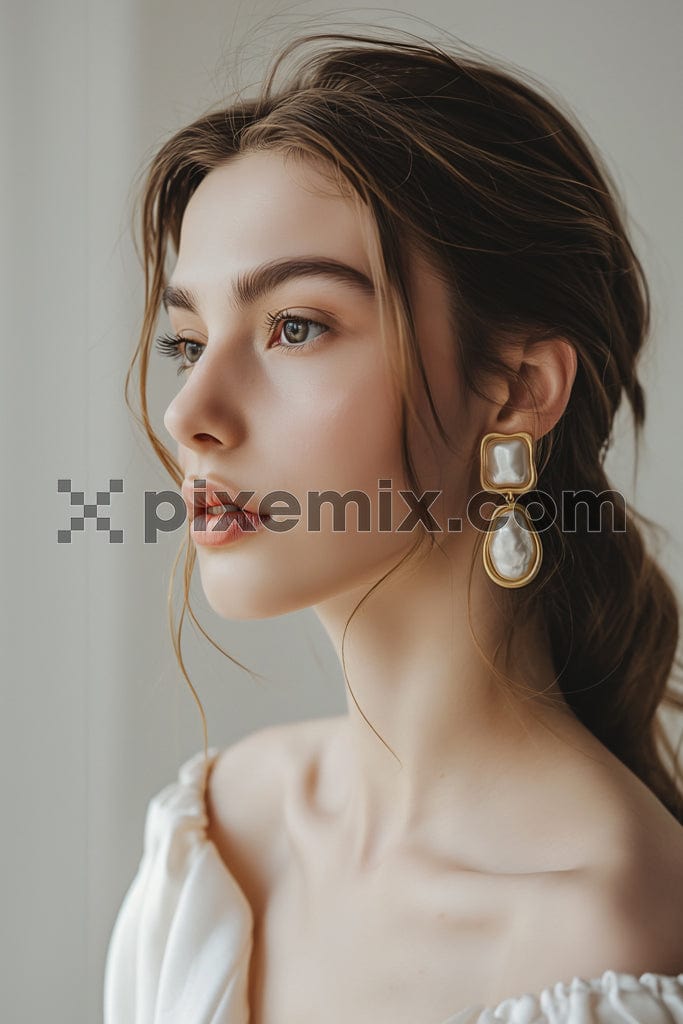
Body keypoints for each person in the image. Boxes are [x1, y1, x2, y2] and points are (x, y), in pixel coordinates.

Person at [104, 29, 683, 1024]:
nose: (188, 411)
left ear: (514, 388)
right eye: (189, 340)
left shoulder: (603, 939)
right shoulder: (211, 836)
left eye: (295, 326)